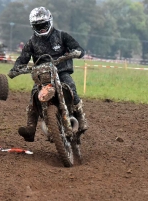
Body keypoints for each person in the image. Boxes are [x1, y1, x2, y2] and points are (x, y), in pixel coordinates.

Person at [8, 7, 88, 142]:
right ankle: (30, 129)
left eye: (44, 25)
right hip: (42, 77)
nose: (42, 28)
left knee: (70, 84)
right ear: (33, 26)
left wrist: (76, 52)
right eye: (38, 26)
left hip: (61, 72)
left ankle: (81, 117)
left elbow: (78, 48)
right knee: (34, 95)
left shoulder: (62, 36)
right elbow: (22, 59)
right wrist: (16, 69)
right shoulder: (31, 42)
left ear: (49, 21)